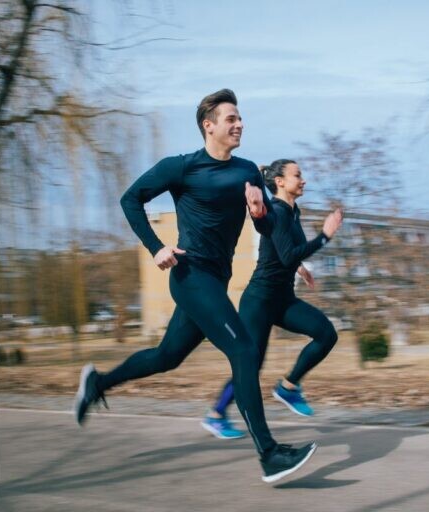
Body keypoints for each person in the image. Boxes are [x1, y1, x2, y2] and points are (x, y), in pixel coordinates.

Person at [73, 89, 316, 483]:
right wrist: (156, 247)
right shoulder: (181, 168)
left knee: (167, 356)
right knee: (244, 350)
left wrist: (261, 215)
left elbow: (268, 227)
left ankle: (97, 382)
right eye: (231, 119)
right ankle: (269, 454)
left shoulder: (248, 172)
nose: (240, 124)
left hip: (216, 280)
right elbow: (131, 199)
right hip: (190, 275)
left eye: (240, 118)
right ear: (209, 125)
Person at [200, 159, 343, 435]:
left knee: (327, 334)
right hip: (260, 301)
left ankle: (288, 387)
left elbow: (281, 250)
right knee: (251, 365)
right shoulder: (277, 211)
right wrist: (325, 235)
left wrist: (299, 268)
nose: (303, 180)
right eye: (297, 175)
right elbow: (288, 253)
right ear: (280, 182)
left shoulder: (292, 211)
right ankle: (216, 414)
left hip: (283, 299)